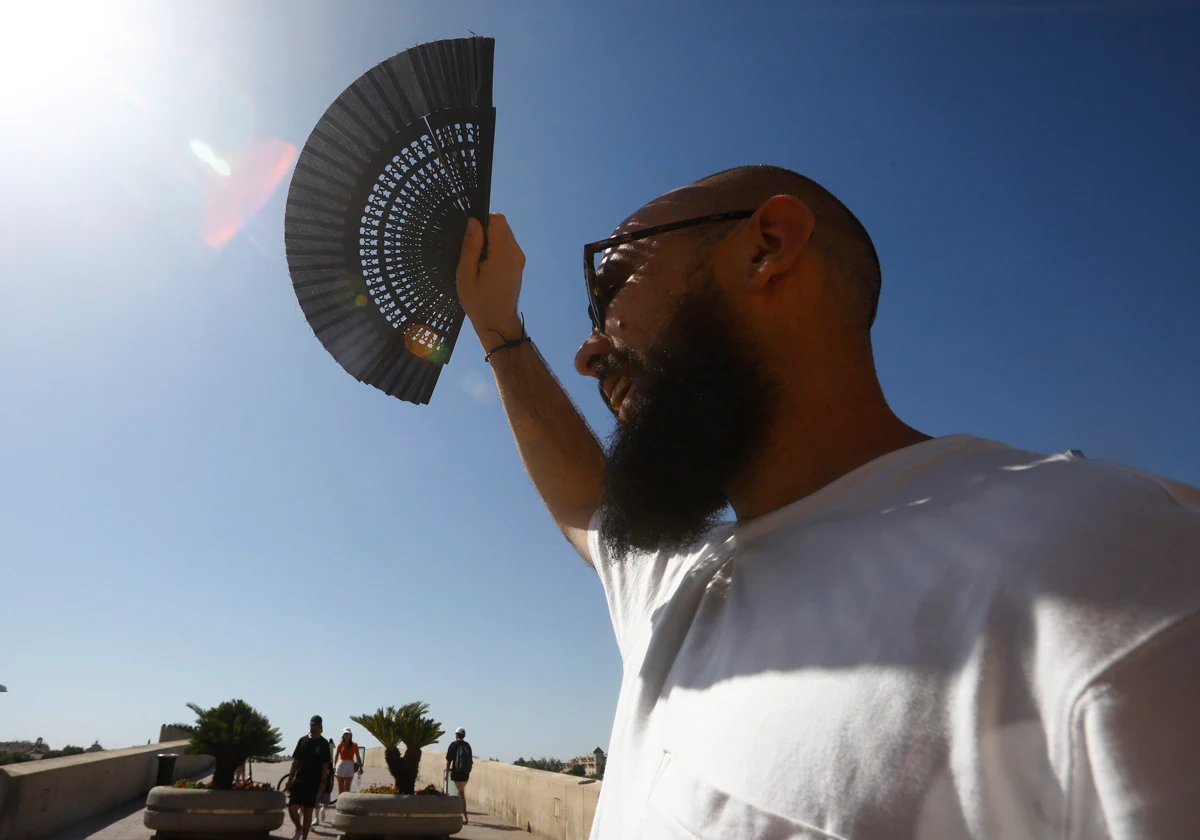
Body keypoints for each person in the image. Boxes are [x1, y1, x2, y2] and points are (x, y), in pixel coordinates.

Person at [453, 164, 1200, 839]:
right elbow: (588, 502)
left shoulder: (1111, 569)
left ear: (767, 245)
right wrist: (497, 328)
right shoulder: (679, 587)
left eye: (610, 286)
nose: (587, 353)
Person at [285, 715, 331, 840]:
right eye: (311, 724)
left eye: (315, 725)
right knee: (292, 807)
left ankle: (304, 837)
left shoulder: (324, 743)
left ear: (321, 727)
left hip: (314, 782)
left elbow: (325, 765)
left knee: (308, 810)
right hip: (299, 779)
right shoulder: (302, 740)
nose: (313, 727)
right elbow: (295, 762)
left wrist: (323, 782)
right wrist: (290, 779)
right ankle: (298, 827)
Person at [444, 727, 472, 825]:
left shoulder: (453, 745)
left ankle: (465, 817)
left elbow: (448, 761)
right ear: (464, 735)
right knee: (459, 793)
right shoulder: (467, 745)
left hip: (457, 773)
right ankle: (456, 813)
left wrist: (446, 774)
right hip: (466, 775)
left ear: (456, 735)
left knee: (461, 795)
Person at [335, 728, 361, 795]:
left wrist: (360, 767)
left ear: (350, 735)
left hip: (350, 765)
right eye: (345, 734)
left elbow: (358, 756)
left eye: (348, 734)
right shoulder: (340, 745)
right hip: (341, 765)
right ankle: (340, 802)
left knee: (347, 787)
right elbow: (336, 756)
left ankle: (346, 803)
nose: (346, 735)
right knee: (340, 788)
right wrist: (334, 766)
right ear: (343, 735)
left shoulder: (354, 745)